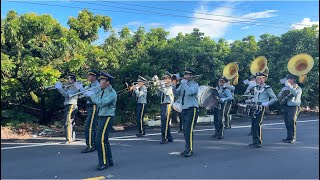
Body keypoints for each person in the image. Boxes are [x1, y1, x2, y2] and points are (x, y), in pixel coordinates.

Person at [84, 72, 117, 171]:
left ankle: (104, 163)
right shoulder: (102, 91)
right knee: (105, 140)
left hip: (107, 117)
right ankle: (109, 160)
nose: (100, 82)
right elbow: (96, 99)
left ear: (107, 82)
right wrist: (87, 92)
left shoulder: (111, 92)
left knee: (99, 140)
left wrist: (92, 95)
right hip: (102, 116)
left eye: (102, 81)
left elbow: (101, 103)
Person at [173, 68, 199, 157]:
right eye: (185, 74)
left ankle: (189, 150)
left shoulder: (195, 85)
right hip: (184, 109)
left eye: (187, 74)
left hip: (192, 109)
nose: (185, 76)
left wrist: (183, 84)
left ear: (192, 76)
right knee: (185, 131)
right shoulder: (183, 84)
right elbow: (176, 94)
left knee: (189, 130)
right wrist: (173, 85)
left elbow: (189, 92)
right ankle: (186, 148)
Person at [248, 72, 277, 148]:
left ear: (264, 79)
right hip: (254, 106)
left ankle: (258, 141)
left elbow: (274, 98)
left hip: (261, 106)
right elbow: (255, 96)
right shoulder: (256, 87)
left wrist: (266, 103)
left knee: (257, 123)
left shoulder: (267, 88)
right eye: (257, 78)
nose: (259, 80)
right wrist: (251, 100)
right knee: (253, 123)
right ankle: (254, 140)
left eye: (260, 78)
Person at [55, 74, 81, 144]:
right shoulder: (70, 86)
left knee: (67, 122)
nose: (67, 80)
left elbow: (66, 95)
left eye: (69, 79)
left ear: (73, 80)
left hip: (71, 104)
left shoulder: (74, 86)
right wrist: (62, 88)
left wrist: (60, 88)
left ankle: (69, 139)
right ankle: (72, 137)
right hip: (70, 104)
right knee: (71, 122)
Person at [80, 70, 100, 153]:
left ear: (94, 77)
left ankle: (91, 146)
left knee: (89, 127)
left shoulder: (97, 86)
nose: (88, 77)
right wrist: (79, 87)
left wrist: (84, 91)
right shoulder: (90, 85)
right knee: (92, 127)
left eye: (89, 76)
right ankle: (94, 144)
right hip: (89, 107)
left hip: (94, 106)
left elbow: (92, 96)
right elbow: (82, 93)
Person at [278, 74, 302, 143]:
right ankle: (288, 137)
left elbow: (295, 94)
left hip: (293, 106)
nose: (286, 81)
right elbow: (279, 95)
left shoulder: (298, 88)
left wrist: (290, 87)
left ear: (292, 80)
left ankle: (293, 138)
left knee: (292, 121)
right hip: (286, 106)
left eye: (287, 79)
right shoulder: (285, 87)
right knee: (287, 122)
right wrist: (284, 90)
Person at [157, 72, 174, 144]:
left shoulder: (171, 86)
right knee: (164, 121)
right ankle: (169, 137)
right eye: (163, 78)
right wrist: (158, 87)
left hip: (168, 104)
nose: (164, 79)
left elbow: (167, 92)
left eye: (165, 78)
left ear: (169, 79)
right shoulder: (164, 87)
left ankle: (165, 138)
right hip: (163, 104)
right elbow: (158, 94)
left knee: (165, 122)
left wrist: (162, 86)